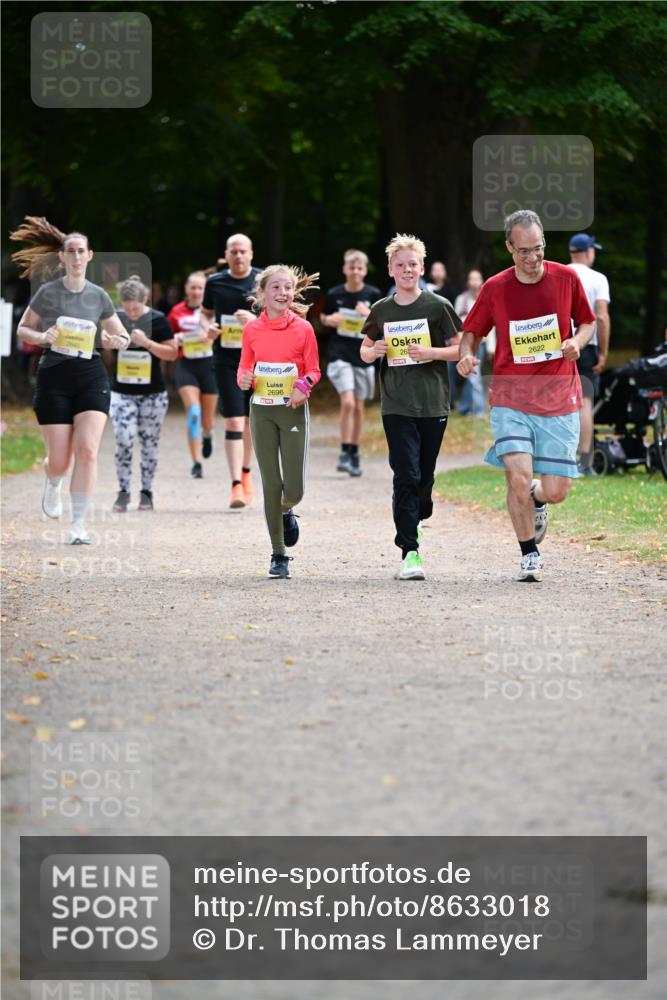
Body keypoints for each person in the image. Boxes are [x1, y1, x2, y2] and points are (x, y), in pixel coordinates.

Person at [457, 210, 595, 582]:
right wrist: (467, 355)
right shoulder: (496, 288)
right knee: (516, 477)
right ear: (508, 247)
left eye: (538, 249)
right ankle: (528, 552)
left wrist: (576, 342)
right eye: (523, 252)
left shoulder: (565, 278)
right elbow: (472, 332)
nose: (532, 259)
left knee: (557, 489)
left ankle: (538, 498)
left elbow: (587, 321)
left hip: (558, 394)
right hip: (511, 396)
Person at [11, 216, 131, 544]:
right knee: (60, 460)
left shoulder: (99, 296)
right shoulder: (47, 293)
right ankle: (53, 481)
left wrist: (116, 341)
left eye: (82, 251)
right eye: (71, 252)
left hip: (91, 375)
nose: (76, 257)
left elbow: (121, 336)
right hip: (54, 377)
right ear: (62, 257)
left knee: (88, 450)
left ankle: (78, 524)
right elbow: (23, 329)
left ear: (90, 256)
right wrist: (43, 335)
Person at [360, 234, 461, 581]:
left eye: (412, 264)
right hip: (397, 404)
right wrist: (372, 352)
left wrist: (431, 353)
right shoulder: (381, 310)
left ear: (421, 268)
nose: (406, 270)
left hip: (433, 403)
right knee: (405, 474)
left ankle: (422, 504)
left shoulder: (438, 306)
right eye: (400, 265)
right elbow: (365, 347)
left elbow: (460, 350)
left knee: (424, 477)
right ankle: (410, 551)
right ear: (390, 270)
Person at [237, 265, 320, 579]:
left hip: (292, 410)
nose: (283, 293)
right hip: (262, 411)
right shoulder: (252, 330)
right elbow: (245, 368)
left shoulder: (304, 329)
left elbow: (313, 370)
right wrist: (243, 379)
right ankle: (278, 554)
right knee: (271, 484)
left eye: (288, 288)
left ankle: (287, 509)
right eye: (276, 288)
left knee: (294, 490)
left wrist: (303, 386)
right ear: (262, 294)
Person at [200, 234, 261, 508]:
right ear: (227, 254)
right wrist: (207, 328)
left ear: (251, 254)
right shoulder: (215, 282)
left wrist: (256, 320)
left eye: (243, 251)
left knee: (250, 422)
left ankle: (247, 474)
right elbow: (204, 313)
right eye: (233, 252)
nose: (238, 256)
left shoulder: (263, 281)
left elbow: (281, 315)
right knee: (234, 421)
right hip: (226, 359)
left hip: (259, 360)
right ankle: (235, 484)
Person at [107, 276, 177, 511]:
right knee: (124, 439)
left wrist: (147, 343)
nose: (132, 313)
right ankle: (123, 490)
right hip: (121, 392)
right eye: (127, 309)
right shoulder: (116, 318)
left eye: (135, 309)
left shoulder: (157, 320)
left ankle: (146, 491)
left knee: (148, 443)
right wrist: (109, 343)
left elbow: (172, 353)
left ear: (145, 300)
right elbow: (105, 353)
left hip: (152, 394)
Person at [320, 249, 382, 476]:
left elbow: (384, 326)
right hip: (340, 353)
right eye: (351, 267)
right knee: (346, 402)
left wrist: (369, 314)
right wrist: (328, 319)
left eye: (359, 268)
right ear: (344, 269)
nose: (355, 272)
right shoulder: (335, 293)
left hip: (364, 355)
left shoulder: (373, 294)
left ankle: (354, 452)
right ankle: (344, 450)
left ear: (365, 271)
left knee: (358, 405)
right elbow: (323, 318)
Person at [567, 233, 611, 476]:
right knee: (584, 402)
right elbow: (601, 317)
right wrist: (603, 353)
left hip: (559, 343)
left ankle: (557, 458)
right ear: (587, 252)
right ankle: (584, 462)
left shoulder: (558, 273)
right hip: (587, 344)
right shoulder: (598, 279)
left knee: (558, 401)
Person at [167, 272, 218, 479]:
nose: (197, 292)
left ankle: (208, 435)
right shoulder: (176, 312)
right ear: (186, 289)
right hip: (186, 366)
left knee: (207, 420)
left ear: (206, 290)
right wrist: (175, 339)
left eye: (201, 288)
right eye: (193, 288)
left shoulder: (214, 311)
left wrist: (213, 336)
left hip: (210, 367)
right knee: (194, 412)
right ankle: (196, 462)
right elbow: (167, 338)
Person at [454, 269, 487, 416]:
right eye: (472, 279)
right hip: (465, 343)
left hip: (482, 343)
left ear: (481, 281)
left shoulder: (485, 299)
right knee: (472, 375)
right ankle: (473, 409)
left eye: (477, 279)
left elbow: (490, 326)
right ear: (468, 282)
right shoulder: (462, 299)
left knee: (473, 375)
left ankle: (471, 409)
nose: (475, 282)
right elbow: (455, 321)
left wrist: (492, 347)